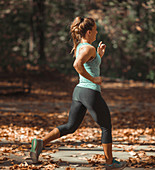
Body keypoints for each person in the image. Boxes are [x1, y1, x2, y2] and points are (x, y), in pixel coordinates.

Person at [30, 16, 127, 169]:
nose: (97, 32)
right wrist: (94, 80)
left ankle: (41, 142)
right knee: (106, 126)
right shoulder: (89, 48)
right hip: (89, 91)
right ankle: (110, 163)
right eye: (95, 30)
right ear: (88, 32)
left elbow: (88, 64)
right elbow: (77, 64)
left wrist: (99, 57)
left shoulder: (81, 47)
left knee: (70, 126)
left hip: (79, 91)